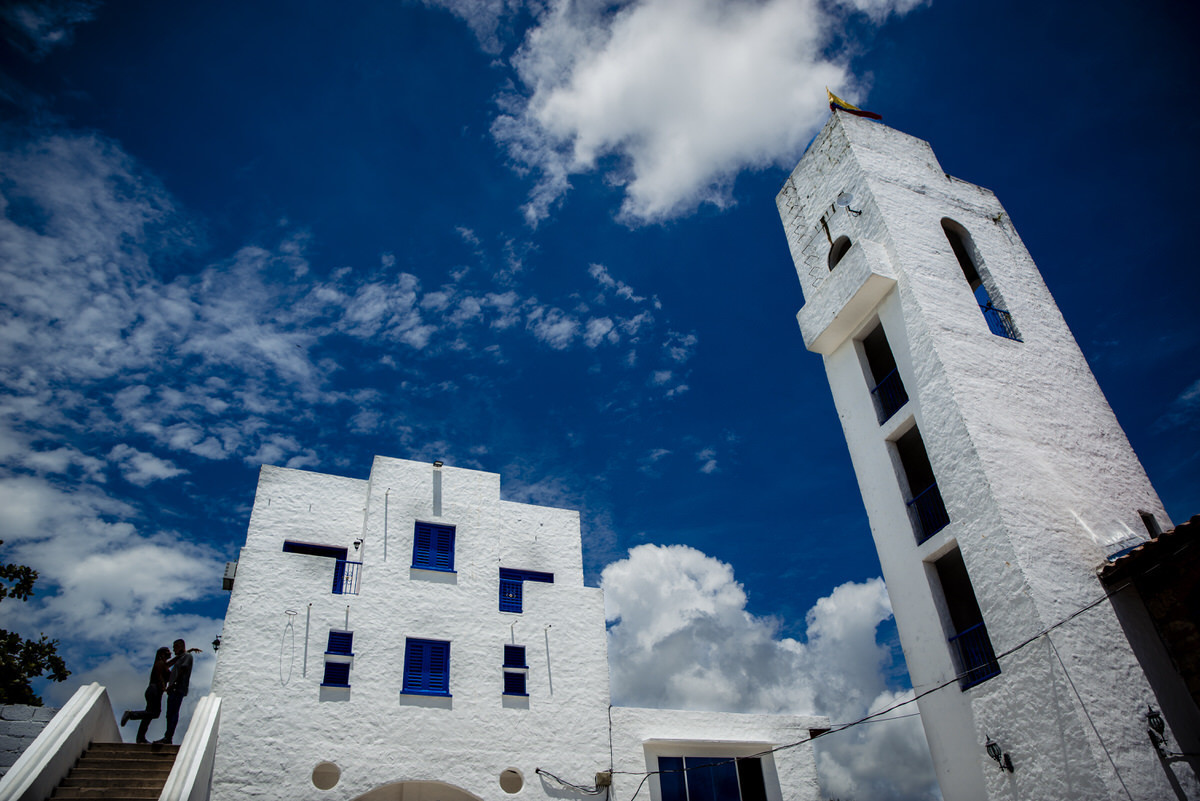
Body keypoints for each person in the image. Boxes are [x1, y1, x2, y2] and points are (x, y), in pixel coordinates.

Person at [120, 647, 170, 744]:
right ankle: (131, 714)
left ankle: (140, 738)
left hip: (154, 690)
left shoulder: (163, 664)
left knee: (148, 714)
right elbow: (159, 677)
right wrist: (164, 687)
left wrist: (185, 653)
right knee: (155, 713)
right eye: (167, 651)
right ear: (162, 654)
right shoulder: (160, 664)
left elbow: (171, 663)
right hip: (154, 690)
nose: (170, 653)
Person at [155, 638, 201, 745]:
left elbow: (183, 670)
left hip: (177, 688)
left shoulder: (187, 657)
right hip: (174, 689)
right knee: (169, 714)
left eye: (175, 647)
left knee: (173, 713)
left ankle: (168, 737)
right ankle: (167, 737)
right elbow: (171, 663)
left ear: (180, 646)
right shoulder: (182, 657)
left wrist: (174, 684)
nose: (173, 649)